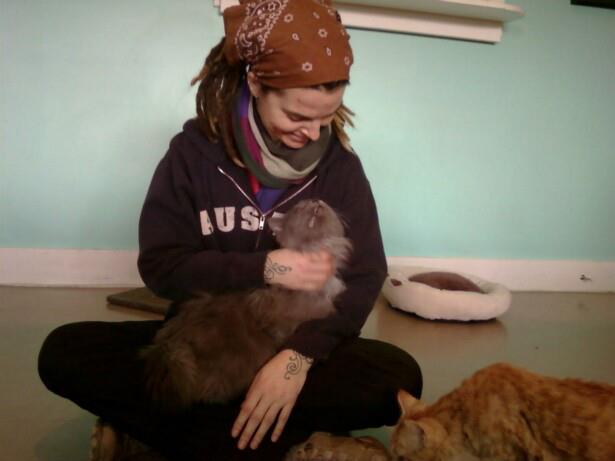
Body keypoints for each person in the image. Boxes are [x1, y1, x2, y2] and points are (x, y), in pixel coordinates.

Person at [37, 1, 422, 460]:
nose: (313, 132)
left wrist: (296, 360)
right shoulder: (191, 155)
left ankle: (161, 438)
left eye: (326, 116)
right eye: (297, 116)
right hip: (212, 347)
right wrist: (266, 268)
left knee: (399, 376)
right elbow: (162, 267)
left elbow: (364, 277)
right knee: (63, 351)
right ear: (256, 83)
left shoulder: (342, 169)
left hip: (298, 344)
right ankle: (287, 443)